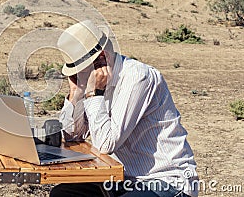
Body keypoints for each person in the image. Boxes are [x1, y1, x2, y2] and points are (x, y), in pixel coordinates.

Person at [51, 20, 198, 197]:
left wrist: (93, 95)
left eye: (81, 70)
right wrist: (75, 94)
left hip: (165, 180)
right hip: (119, 179)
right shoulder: (94, 82)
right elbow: (70, 136)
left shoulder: (137, 78)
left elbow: (105, 145)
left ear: (102, 59)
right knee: (62, 194)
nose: (78, 76)